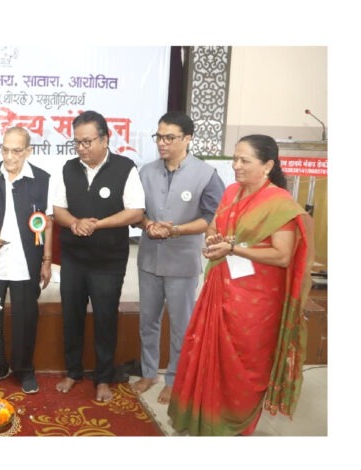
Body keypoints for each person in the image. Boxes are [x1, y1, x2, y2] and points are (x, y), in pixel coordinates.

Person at [167, 134, 314, 436]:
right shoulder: (232, 191)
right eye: (234, 158)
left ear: (268, 165)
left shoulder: (279, 203)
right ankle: (204, 419)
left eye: (244, 160)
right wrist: (213, 239)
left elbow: (282, 255)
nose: (235, 165)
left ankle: (236, 423)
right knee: (209, 354)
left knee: (245, 364)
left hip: (256, 302)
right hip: (220, 288)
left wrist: (233, 248)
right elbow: (214, 225)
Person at [130, 111, 225, 405]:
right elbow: (135, 211)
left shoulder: (206, 175)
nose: (162, 143)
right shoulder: (145, 172)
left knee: (181, 326)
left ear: (187, 139)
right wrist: (148, 224)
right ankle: (149, 373)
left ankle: (175, 379)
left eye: (169, 137)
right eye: (159, 137)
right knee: (148, 321)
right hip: (149, 260)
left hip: (182, 262)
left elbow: (212, 218)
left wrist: (176, 230)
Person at [52, 110, 145, 402]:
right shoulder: (68, 168)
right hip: (73, 259)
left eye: (87, 142)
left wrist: (97, 224)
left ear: (105, 139)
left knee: (106, 319)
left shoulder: (125, 168)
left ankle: (103, 378)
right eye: (77, 142)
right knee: (72, 317)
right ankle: (73, 371)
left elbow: (136, 211)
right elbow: (58, 210)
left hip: (108, 261)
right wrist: (75, 223)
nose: (81, 148)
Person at [0, 127, 53, 394]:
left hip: (26, 262)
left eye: (16, 151)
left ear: (28, 151)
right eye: (5, 149)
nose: (9, 156)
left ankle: (24, 370)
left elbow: (47, 223)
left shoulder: (42, 179)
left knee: (26, 318)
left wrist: (47, 260)